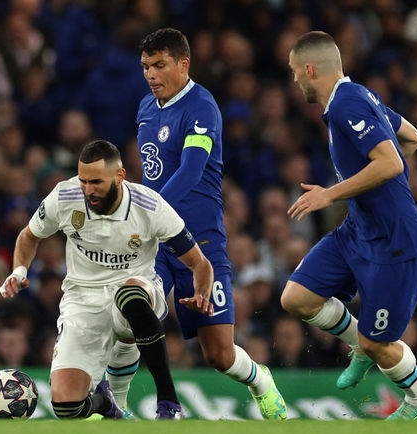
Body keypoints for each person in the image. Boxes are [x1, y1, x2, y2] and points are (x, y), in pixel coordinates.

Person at [120, 27, 287, 420]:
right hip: (155, 243)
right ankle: (122, 406)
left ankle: (260, 381)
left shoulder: (201, 106)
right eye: (145, 66)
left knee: (219, 354)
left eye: (159, 65)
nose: (150, 74)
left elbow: (192, 170)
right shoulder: (145, 107)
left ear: (183, 64)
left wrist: (149, 211)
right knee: (130, 312)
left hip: (200, 244)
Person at [281, 31, 417, 420]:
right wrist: (378, 192)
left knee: (377, 344)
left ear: (310, 69)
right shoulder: (360, 96)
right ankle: (360, 346)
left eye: (295, 71)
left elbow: (392, 162)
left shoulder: (348, 103)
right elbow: (412, 138)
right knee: (296, 298)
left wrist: (331, 195)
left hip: (395, 241)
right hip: (359, 230)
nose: (294, 80)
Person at [0, 140, 215, 420]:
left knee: (129, 297)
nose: (88, 190)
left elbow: (199, 262)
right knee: (67, 407)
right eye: (83, 180)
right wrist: (19, 270)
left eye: (96, 182)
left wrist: (201, 293)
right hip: (81, 299)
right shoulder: (65, 196)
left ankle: (168, 402)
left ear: (119, 176)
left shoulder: (149, 206)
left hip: (137, 288)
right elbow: (29, 235)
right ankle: (106, 404)